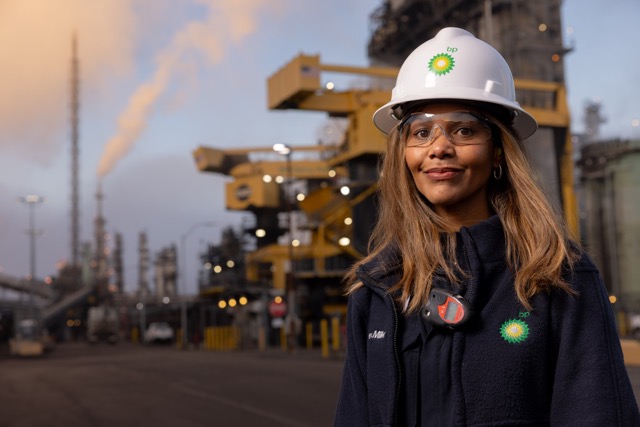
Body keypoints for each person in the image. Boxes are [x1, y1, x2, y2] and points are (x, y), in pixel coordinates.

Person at [334, 27, 640, 426]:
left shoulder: (557, 278)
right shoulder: (377, 289)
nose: (439, 147)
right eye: (421, 132)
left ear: (498, 151)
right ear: (403, 156)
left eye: (463, 129)